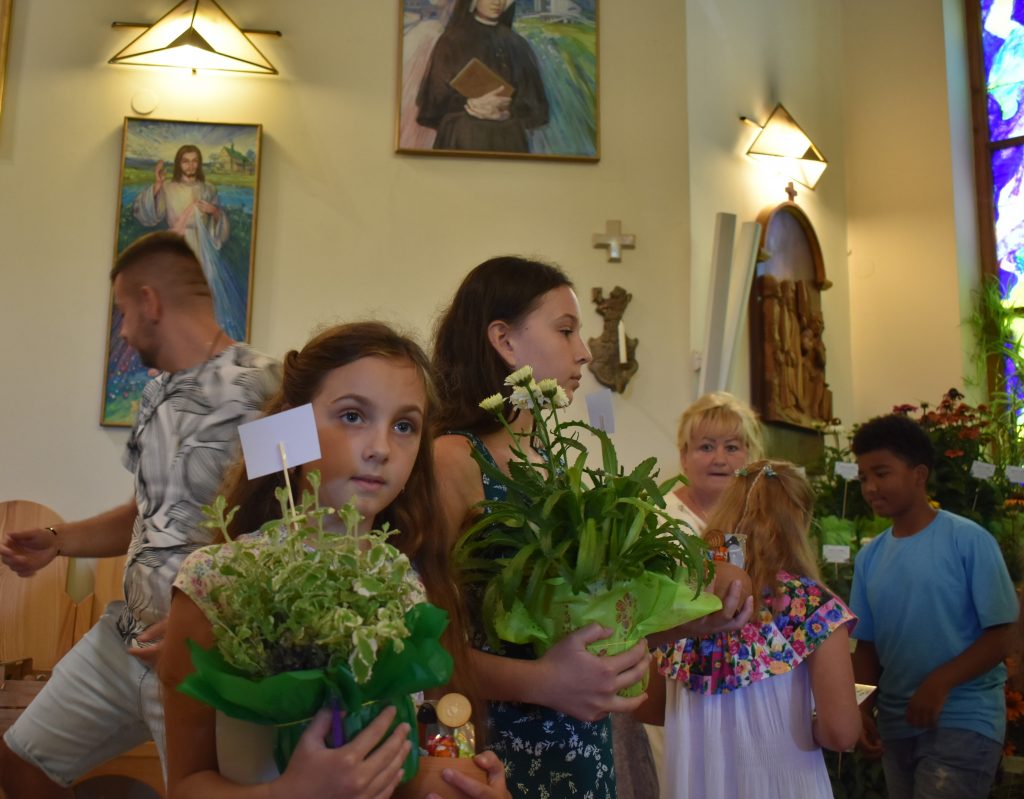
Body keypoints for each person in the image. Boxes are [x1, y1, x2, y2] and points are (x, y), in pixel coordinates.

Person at [431, 256, 753, 798]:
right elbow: (426, 649)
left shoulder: (557, 461)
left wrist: (693, 616)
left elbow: (588, 627)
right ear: (504, 340)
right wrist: (542, 681)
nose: (583, 351)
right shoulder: (454, 459)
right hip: (503, 754)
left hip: (584, 749)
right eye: (565, 330)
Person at [160, 321, 509, 799]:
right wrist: (289, 793)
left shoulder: (409, 585)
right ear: (293, 425)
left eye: (404, 426)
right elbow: (185, 784)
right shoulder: (216, 580)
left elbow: (404, 763)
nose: (381, 449)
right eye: (352, 416)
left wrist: (457, 782)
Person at [0, 232, 280, 798]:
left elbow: (302, 526)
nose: (123, 332)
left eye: (122, 313)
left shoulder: (273, 387)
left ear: (150, 302)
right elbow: (146, 513)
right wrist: (58, 539)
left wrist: (204, 618)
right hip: (122, 640)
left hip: (208, 658)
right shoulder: (153, 398)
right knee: (19, 763)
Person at [654, 460, 861, 798]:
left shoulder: (687, 599)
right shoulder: (812, 606)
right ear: (801, 523)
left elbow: (650, 707)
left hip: (696, 783)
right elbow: (842, 733)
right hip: (783, 779)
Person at [850, 414, 1018, 798]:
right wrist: (861, 709)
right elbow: (867, 647)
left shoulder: (968, 540)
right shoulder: (869, 558)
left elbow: (1003, 634)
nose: (870, 487)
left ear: (919, 474)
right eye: (863, 478)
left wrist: (940, 682)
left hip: (963, 720)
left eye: (881, 473)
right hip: (897, 725)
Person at [133, 144, 244, 340]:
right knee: (174, 294)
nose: (190, 166)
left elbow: (219, 228)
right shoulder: (168, 188)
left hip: (203, 249)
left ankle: (200, 342)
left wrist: (214, 212)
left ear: (199, 164)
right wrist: (157, 185)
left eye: (194, 161)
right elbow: (148, 215)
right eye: (186, 161)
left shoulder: (208, 189)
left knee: (204, 295)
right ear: (179, 163)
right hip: (177, 246)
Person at [415, 0, 548, 153]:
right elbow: (432, 108)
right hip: (460, 141)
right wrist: (470, 104)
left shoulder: (518, 45)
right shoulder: (451, 41)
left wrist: (507, 111)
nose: (497, 2)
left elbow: (539, 111)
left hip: (508, 143)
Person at [664, 392, 765, 533]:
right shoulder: (656, 517)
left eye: (731, 448)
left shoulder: (766, 519)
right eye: (706, 447)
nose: (720, 460)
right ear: (684, 456)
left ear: (750, 456)